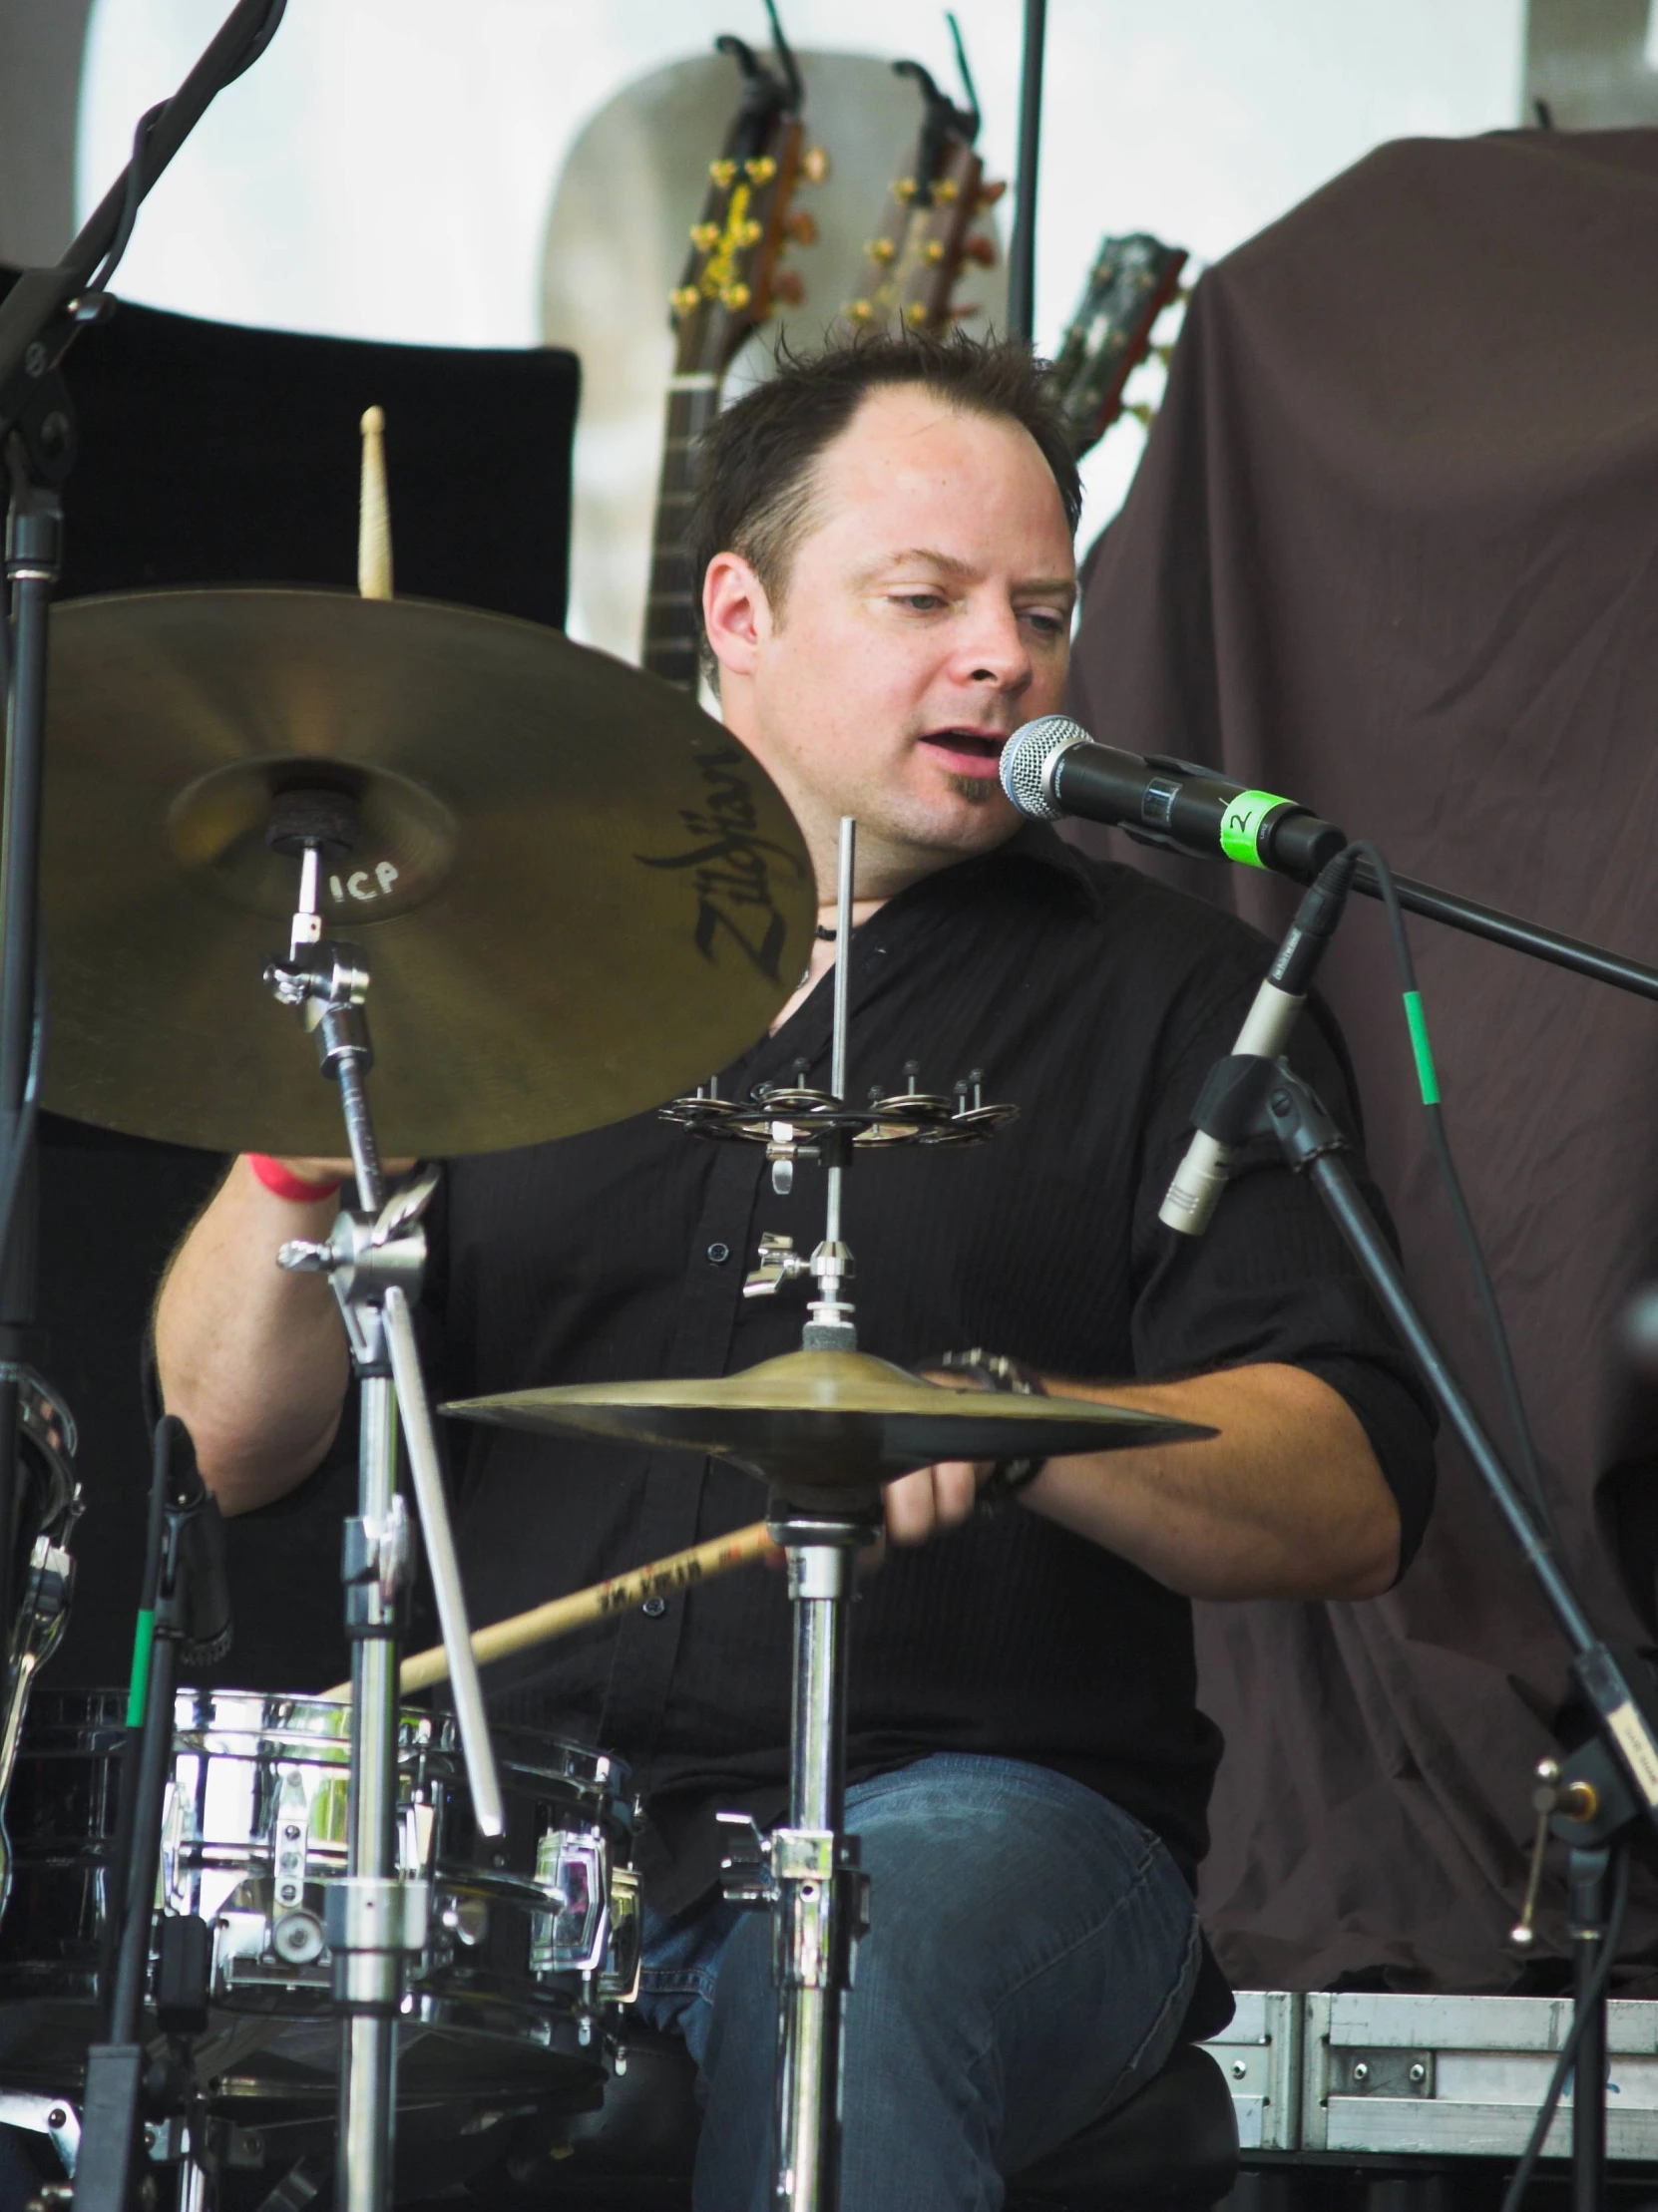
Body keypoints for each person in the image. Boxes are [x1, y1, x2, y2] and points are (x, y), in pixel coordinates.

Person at [154, 332, 1435, 2211]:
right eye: (924, 597)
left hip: (986, 1815)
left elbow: (1347, 1485)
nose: (1002, 652)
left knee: (864, 1940)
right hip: (509, 1818)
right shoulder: (501, 956)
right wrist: (314, 1129)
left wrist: (1021, 1429)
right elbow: (220, 1431)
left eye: (1041, 607)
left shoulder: (1180, 1001)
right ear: (737, 609)